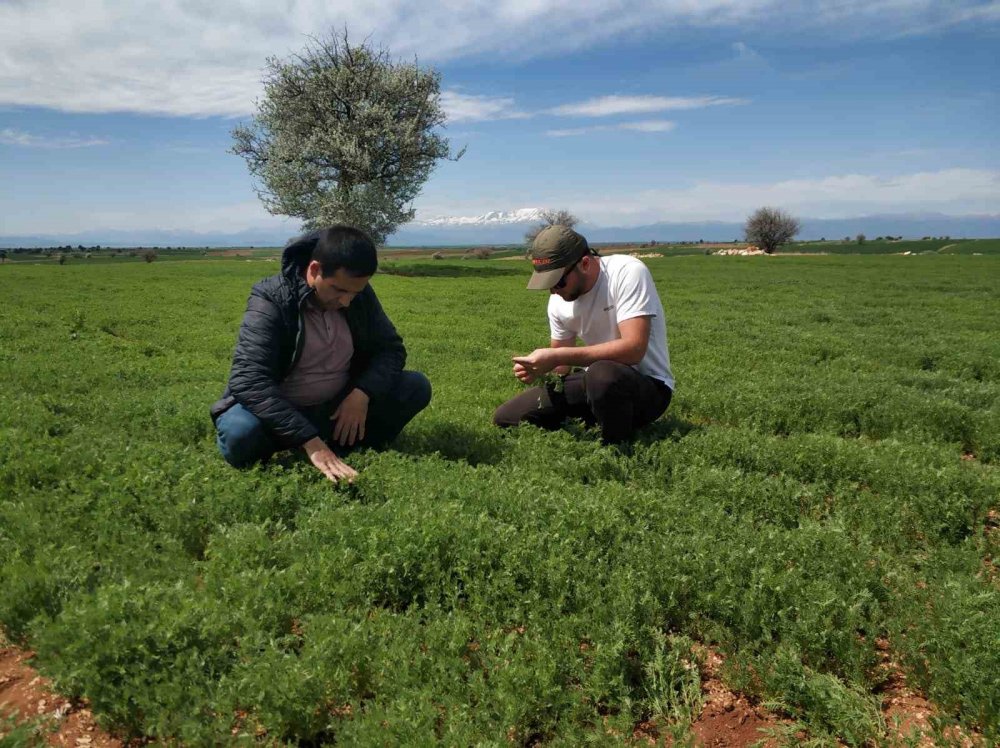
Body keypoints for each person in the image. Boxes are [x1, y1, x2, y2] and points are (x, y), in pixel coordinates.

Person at [210, 225, 431, 482]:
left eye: (355, 292)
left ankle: (344, 443)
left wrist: (362, 394)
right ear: (314, 270)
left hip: (336, 407)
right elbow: (248, 380)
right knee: (240, 433)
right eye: (339, 290)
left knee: (414, 386)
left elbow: (390, 349)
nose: (347, 301)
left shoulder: (358, 294)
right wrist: (307, 438)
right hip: (282, 409)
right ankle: (314, 445)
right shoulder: (271, 298)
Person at [493, 225, 673, 444]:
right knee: (506, 417)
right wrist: (540, 368)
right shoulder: (558, 301)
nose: (553, 291)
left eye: (558, 281)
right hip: (591, 383)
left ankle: (617, 452)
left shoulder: (627, 272)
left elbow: (634, 349)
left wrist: (556, 356)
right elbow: (562, 366)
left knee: (602, 374)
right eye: (547, 284)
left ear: (585, 264)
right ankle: (596, 419)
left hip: (648, 387)